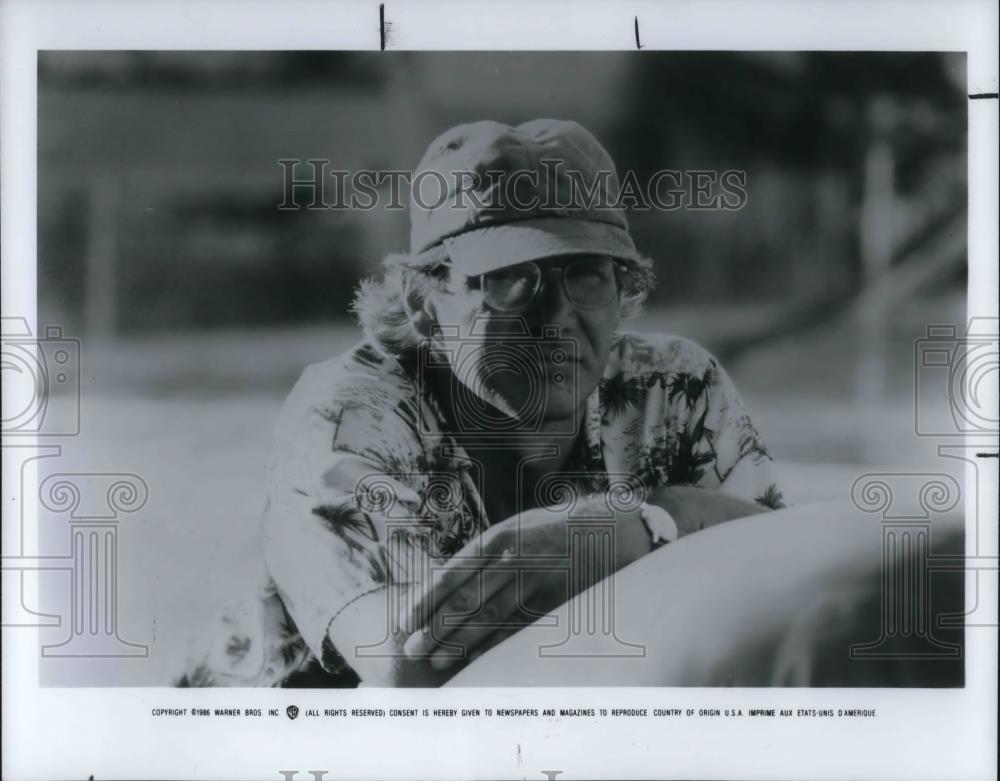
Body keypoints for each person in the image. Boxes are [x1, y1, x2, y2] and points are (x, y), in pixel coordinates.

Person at [177, 119, 784, 688]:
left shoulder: (675, 387)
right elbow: (409, 670)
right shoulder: (351, 410)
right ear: (423, 306)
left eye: (588, 273)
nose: (557, 317)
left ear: (623, 290)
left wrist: (643, 522)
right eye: (510, 278)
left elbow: (801, 566)